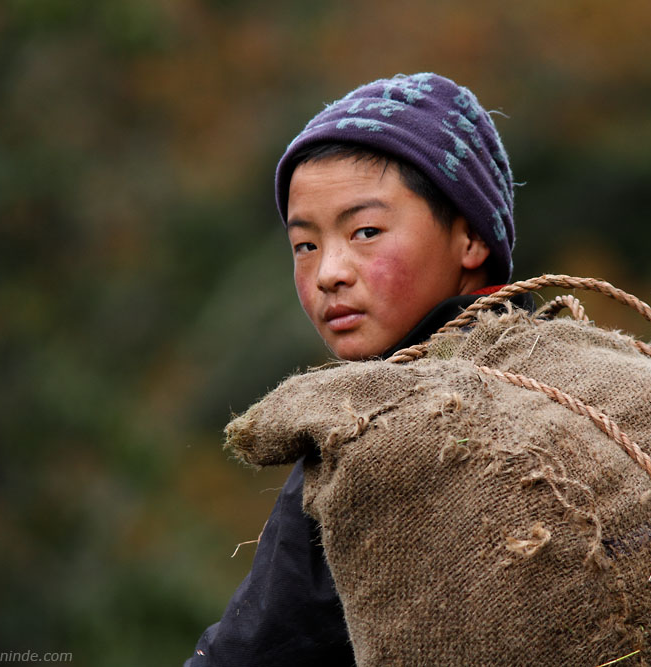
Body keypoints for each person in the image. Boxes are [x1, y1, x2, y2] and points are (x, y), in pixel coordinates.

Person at [184, 72, 521, 666]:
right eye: (305, 245)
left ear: (470, 236)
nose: (328, 273)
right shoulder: (565, 368)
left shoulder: (368, 430)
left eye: (366, 232)